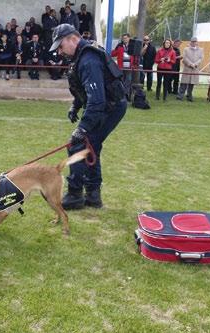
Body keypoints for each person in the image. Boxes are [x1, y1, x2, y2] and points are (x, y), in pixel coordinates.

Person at [50, 24, 127, 209]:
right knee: (92, 146)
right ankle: (93, 195)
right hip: (106, 105)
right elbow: (85, 89)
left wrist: (82, 128)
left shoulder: (88, 59)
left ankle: (75, 194)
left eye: (60, 46)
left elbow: (97, 101)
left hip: (109, 107)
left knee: (79, 144)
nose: (60, 52)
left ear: (72, 39)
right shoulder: (82, 56)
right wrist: (75, 106)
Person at [177, 37, 204, 102]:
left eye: (195, 41)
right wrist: (190, 64)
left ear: (197, 42)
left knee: (192, 83)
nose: (194, 43)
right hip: (187, 68)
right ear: (191, 42)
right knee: (184, 83)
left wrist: (195, 64)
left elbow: (201, 58)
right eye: (193, 41)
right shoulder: (186, 49)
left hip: (195, 69)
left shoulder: (201, 50)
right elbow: (185, 58)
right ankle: (180, 96)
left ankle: (189, 96)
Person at [111, 33, 132, 100]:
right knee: (121, 81)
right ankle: (121, 95)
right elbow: (113, 54)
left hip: (129, 67)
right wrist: (114, 49)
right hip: (121, 67)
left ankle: (126, 95)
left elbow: (136, 55)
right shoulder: (119, 46)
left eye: (126, 38)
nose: (125, 39)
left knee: (128, 81)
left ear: (129, 38)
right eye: (123, 38)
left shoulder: (132, 46)